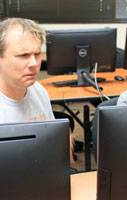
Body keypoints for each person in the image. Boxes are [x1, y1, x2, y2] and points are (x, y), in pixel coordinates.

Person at [0, 17, 74, 165]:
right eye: (23, 55)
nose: (34, 63)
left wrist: (61, 140)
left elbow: (50, 141)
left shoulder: (38, 90)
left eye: (37, 54)